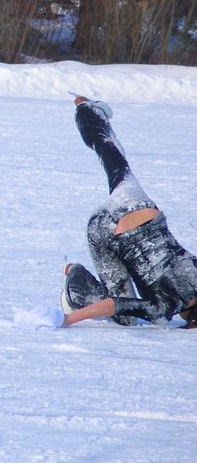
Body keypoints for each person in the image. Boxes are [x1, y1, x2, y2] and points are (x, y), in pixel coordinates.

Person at [60, 96, 197, 328]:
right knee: (126, 317)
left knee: (111, 154)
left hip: (137, 204)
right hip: (105, 228)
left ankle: (87, 109)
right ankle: (76, 281)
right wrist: (70, 319)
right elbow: (114, 304)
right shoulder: (164, 309)